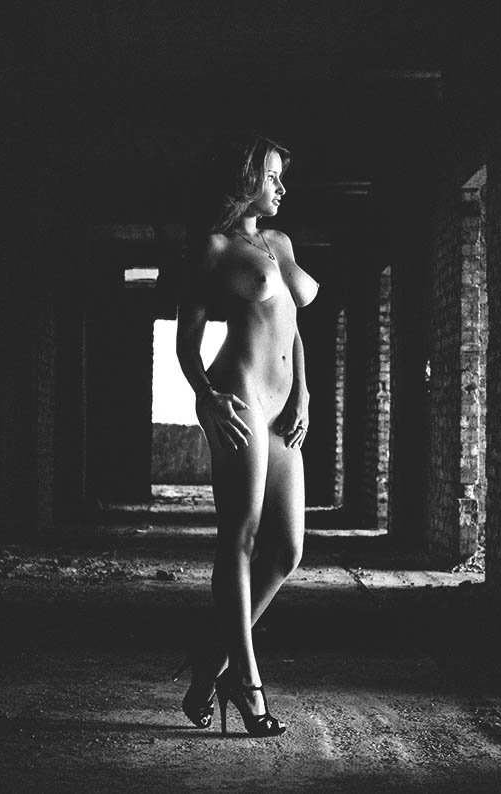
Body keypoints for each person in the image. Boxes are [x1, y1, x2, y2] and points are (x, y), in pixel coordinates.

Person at [173, 134, 318, 737]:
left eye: (282, 177)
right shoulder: (213, 248)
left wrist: (304, 390)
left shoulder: (279, 242)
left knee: (286, 551)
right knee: (242, 536)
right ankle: (248, 682)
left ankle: (211, 663)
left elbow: (292, 323)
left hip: (284, 405)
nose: (282, 186)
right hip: (241, 396)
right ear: (246, 177)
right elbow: (187, 339)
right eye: (272, 175)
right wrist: (205, 396)